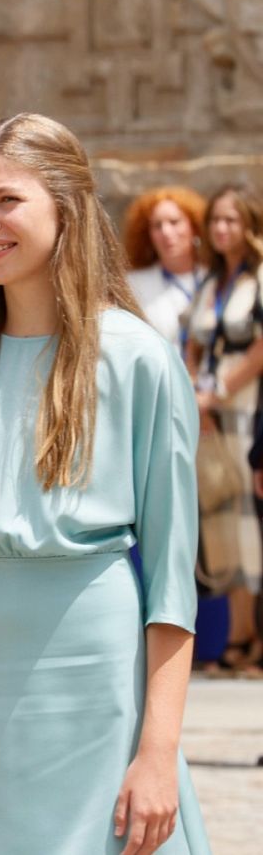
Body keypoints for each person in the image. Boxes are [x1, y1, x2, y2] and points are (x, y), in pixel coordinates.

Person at [0, 112, 211, 853]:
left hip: (94, 683)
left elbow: (173, 587)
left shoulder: (139, 359)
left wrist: (158, 753)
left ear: (67, 206)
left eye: (6, 200)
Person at [189, 182, 263, 673]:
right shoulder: (211, 282)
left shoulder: (258, 277)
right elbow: (193, 345)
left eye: (231, 219)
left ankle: (254, 638)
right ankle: (239, 635)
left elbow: (260, 348)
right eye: (215, 219)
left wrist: (215, 393)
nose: (221, 228)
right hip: (210, 419)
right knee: (223, 525)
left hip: (248, 413)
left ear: (249, 224)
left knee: (251, 524)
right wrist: (195, 395)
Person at [123, 187, 206, 347]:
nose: (166, 232)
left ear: (194, 227)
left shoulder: (214, 278)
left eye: (174, 222)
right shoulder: (133, 285)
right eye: (157, 226)